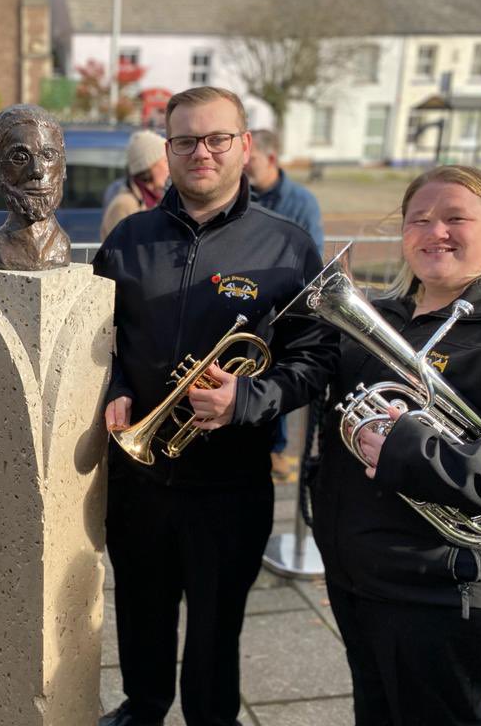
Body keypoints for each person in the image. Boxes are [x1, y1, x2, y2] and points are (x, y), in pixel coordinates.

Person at [92, 86, 337, 726]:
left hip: (231, 485)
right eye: (185, 140)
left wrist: (246, 397)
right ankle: (143, 708)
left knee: (215, 630)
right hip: (139, 479)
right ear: (166, 150)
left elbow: (315, 359)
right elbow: (97, 343)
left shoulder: (288, 247)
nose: (201, 152)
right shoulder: (127, 239)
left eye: (217, 138)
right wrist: (116, 388)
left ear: (244, 146)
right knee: (139, 613)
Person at [312, 165, 481, 726]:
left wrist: (403, 447)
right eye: (419, 220)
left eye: (456, 217)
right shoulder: (384, 318)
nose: (434, 231)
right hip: (364, 578)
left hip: (451, 590)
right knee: (378, 712)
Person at [244, 128, 325, 477]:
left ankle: (277, 450)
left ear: (272, 159)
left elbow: (311, 254)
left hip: (287, 307)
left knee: (282, 380)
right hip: (250, 307)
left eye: (253, 162)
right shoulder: (242, 197)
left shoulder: (301, 201)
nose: (246, 170)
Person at [0, 103, 71, 270]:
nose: (37, 170)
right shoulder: (0, 246)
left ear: (64, 167)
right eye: (20, 157)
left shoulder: (61, 245)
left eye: (48, 155)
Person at [99, 129, 169, 240]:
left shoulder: (158, 200)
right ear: (148, 165)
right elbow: (120, 252)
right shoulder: (124, 205)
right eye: (165, 161)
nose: (169, 167)